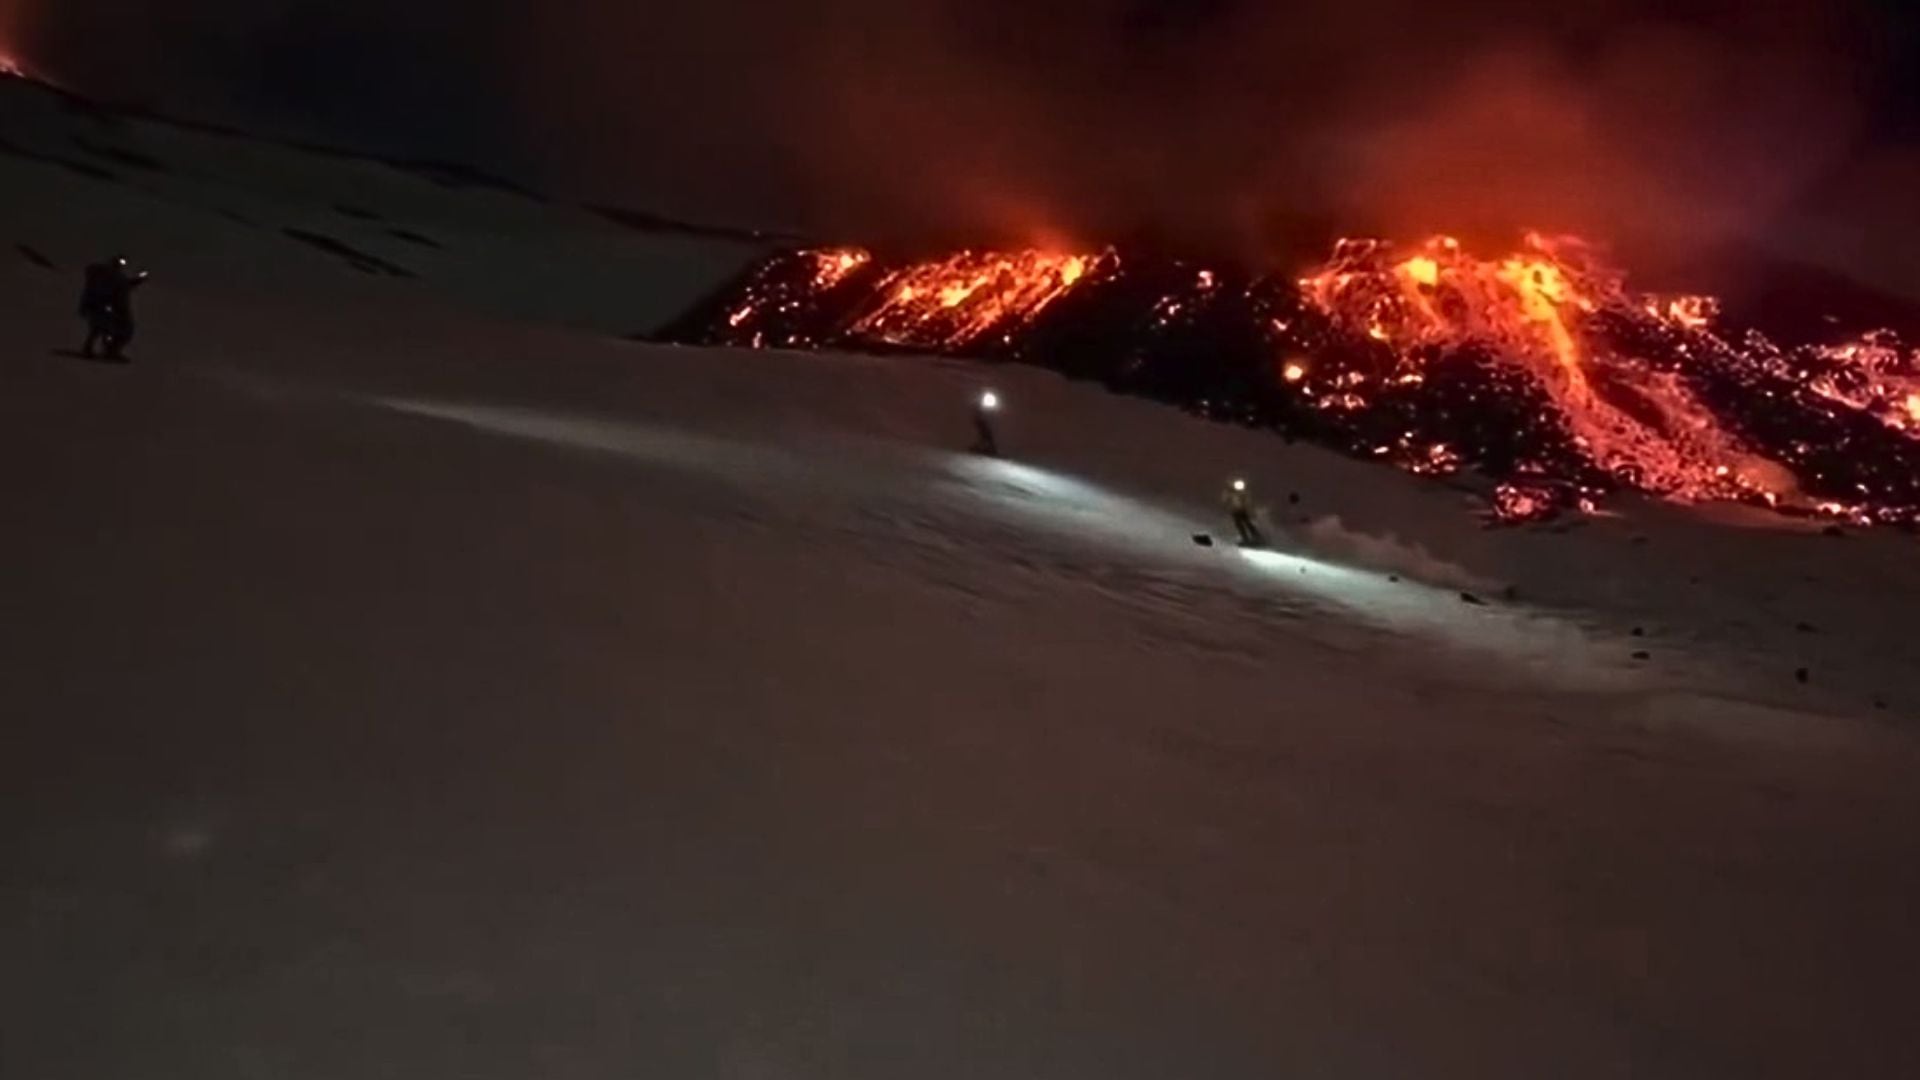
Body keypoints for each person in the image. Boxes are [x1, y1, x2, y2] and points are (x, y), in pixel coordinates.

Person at [79, 256, 148, 360]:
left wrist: (138, 280)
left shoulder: (112, 277)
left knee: (103, 329)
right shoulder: (107, 276)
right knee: (106, 328)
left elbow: (124, 285)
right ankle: (107, 351)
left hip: (106, 307)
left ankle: (106, 350)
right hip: (105, 307)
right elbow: (119, 286)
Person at [1224, 478, 1265, 547]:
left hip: (1242, 510)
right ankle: (1245, 538)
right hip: (1235, 511)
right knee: (1240, 525)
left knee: (1247, 523)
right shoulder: (1231, 493)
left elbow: (1247, 501)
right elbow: (1226, 500)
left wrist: (1247, 507)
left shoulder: (1243, 493)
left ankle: (1256, 536)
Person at [971, 390, 1001, 456]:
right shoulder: (979, 405)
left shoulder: (982, 406)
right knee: (986, 436)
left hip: (982, 422)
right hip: (981, 422)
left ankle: (988, 448)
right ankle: (986, 448)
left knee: (987, 437)